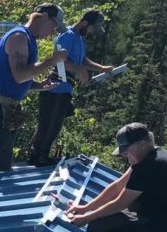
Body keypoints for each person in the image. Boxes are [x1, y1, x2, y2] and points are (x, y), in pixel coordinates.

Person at [0, 3, 68, 220]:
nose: (52, 33)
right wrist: (52, 61)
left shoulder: (26, 39)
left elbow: (17, 80)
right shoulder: (20, 37)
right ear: (44, 17)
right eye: (53, 27)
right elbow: (20, 75)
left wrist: (41, 85)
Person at [25, 9, 113, 166]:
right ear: (85, 23)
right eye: (93, 28)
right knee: (48, 125)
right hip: (56, 86)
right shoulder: (68, 36)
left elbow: (82, 60)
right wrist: (80, 71)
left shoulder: (80, 39)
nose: (92, 32)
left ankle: (41, 154)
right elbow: (60, 61)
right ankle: (38, 156)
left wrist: (101, 68)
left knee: (55, 125)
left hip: (66, 89)